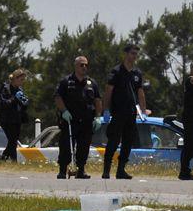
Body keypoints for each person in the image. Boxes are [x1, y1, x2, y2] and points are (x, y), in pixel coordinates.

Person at [102, 44, 147, 180]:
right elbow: (108, 91)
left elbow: (140, 92)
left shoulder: (137, 74)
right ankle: (106, 170)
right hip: (118, 113)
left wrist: (143, 111)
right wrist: (106, 109)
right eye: (132, 53)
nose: (134, 56)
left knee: (128, 142)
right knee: (113, 142)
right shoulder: (116, 71)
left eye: (136, 54)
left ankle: (121, 170)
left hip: (131, 113)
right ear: (126, 54)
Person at [54, 56, 103, 179]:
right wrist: (64, 111)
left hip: (86, 121)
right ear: (75, 66)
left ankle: (81, 170)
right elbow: (58, 97)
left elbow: (97, 100)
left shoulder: (92, 83)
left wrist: (98, 116)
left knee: (84, 146)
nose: (84, 67)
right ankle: (62, 170)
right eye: (81, 65)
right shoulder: (66, 81)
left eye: (86, 65)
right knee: (66, 145)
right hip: (70, 120)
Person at [0, 68, 29, 161]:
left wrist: (24, 103)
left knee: (13, 141)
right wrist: (14, 99)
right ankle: (13, 160)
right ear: (15, 78)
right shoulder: (5, 89)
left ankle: (4, 158)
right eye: (21, 80)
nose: (22, 82)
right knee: (12, 141)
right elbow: (2, 103)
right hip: (7, 119)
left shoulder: (20, 89)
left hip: (17, 119)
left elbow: (22, 106)